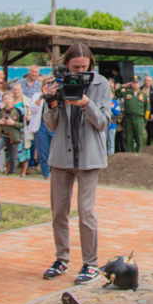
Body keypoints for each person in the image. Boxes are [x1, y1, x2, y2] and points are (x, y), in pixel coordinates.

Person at [41, 44, 111, 285]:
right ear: (66, 65)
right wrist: (51, 102)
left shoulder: (101, 84)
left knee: (86, 212)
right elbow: (50, 125)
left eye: (84, 67)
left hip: (90, 157)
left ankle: (90, 263)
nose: (80, 71)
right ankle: (61, 258)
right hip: (61, 156)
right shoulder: (57, 81)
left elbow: (103, 123)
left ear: (91, 64)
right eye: (75, 67)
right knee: (59, 212)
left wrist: (85, 103)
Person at [116, 78, 148, 153]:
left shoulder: (143, 94)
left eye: (137, 83)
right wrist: (123, 86)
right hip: (129, 118)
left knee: (139, 138)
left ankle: (139, 153)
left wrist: (145, 119)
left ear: (139, 83)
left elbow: (147, 108)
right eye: (133, 83)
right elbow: (117, 93)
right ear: (131, 83)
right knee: (129, 138)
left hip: (139, 118)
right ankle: (130, 153)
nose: (135, 84)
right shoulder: (127, 93)